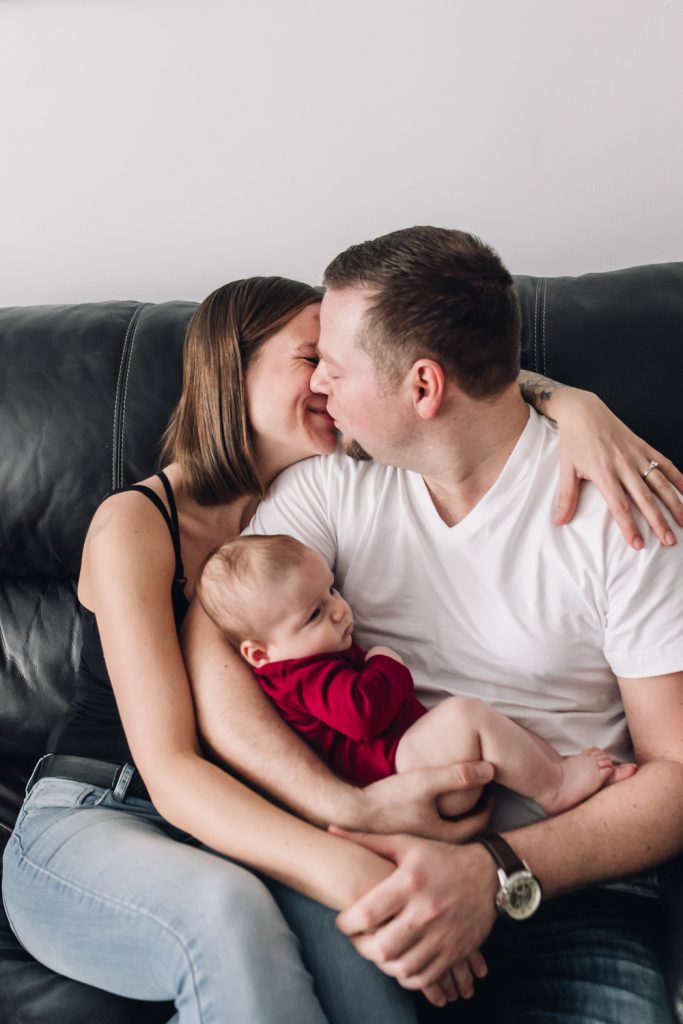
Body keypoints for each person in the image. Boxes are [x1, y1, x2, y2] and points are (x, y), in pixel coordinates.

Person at [2, 272, 680, 1022]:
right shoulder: (144, 521)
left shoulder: (316, 482)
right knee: (232, 914)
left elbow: (453, 376)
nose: (328, 380)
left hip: (258, 826)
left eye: (336, 362)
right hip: (119, 802)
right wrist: (351, 830)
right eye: (309, 359)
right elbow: (172, 770)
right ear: (234, 372)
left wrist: (573, 403)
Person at [197, 533, 636, 820]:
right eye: (314, 614)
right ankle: (555, 788)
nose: (339, 608)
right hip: (398, 779)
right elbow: (362, 714)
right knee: (466, 716)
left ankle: (561, 772)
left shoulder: (302, 654)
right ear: (260, 653)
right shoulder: (300, 677)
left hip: (403, 762)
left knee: (492, 723)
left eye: (331, 589)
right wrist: (386, 663)